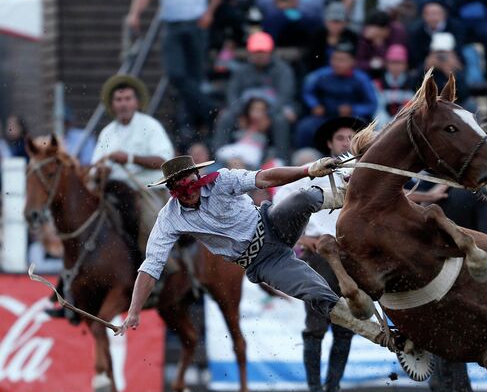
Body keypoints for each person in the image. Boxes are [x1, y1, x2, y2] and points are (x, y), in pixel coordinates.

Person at [117, 155, 406, 370]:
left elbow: (265, 178)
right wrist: (133, 311)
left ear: (197, 177)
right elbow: (151, 265)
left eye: (190, 183)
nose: (189, 191)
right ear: (171, 190)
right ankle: (381, 336)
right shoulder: (169, 219)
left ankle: (354, 195)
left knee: (301, 198)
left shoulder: (223, 180)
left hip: (270, 223)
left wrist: (309, 169)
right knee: (315, 293)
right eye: (180, 188)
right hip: (263, 261)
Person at [273, 117, 364, 392]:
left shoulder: (363, 177)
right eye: (341, 138)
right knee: (317, 324)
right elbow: (277, 214)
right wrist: (300, 239)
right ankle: (315, 391)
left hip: (352, 256)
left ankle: (333, 388)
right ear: (329, 143)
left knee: (347, 325)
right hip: (319, 257)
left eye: (352, 137)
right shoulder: (310, 175)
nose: (346, 143)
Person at [126, 0, 223, 141]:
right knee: (175, 74)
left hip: (196, 23)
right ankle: (209, 109)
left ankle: (189, 125)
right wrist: (134, 14)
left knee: (194, 77)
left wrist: (210, 11)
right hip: (172, 26)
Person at [91, 74, 174, 251]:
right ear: (112, 105)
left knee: (152, 224)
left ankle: (164, 268)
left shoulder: (150, 126)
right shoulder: (107, 132)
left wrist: (130, 158)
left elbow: (164, 161)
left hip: (145, 190)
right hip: (113, 191)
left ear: (136, 102)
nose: (123, 104)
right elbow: (95, 167)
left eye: (127, 99)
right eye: (118, 100)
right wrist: (101, 171)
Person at [222, 32, 296, 157]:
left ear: (270, 52)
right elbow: (232, 93)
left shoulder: (282, 69)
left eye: (263, 52)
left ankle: (281, 158)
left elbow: (285, 95)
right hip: (246, 111)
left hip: (272, 110)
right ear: (249, 53)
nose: (259, 56)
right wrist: (241, 113)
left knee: (281, 119)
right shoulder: (241, 71)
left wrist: (267, 114)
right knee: (226, 117)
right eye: (256, 52)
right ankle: (220, 154)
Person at [294, 40, 378, 149]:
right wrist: (314, 105)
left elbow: (371, 104)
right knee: (305, 127)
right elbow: (308, 92)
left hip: (351, 119)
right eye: (335, 59)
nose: (337, 63)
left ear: (352, 61)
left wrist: (353, 109)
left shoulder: (361, 79)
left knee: (363, 132)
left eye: (342, 60)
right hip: (324, 115)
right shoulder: (321, 75)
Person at [256, 0, 326, 47]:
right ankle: (268, 55)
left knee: (316, 20)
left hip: (307, 17)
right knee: (271, 18)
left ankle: (316, 56)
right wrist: (275, 1)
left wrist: (297, 3)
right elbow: (261, 1)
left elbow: (318, 4)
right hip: (277, 15)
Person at [306, 1, 359, 72]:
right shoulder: (317, 36)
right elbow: (313, 57)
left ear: (345, 23)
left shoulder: (352, 37)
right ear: (326, 22)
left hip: (346, 72)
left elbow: (355, 58)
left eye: (339, 22)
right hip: (320, 72)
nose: (335, 26)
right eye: (332, 21)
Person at [355, 9, 408, 80]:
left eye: (377, 31)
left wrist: (379, 45)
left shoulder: (397, 32)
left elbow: (396, 58)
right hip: (369, 72)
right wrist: (371, 64)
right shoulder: (365, 35)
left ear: (386, 29)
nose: (374, 33)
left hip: (393, 72)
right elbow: (358, 62)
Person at [373, 44, 418, 123]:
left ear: (406, 64)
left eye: (399, 63)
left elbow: (411, 105)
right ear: (387, 64)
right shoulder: (379, 82)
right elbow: (378, 106)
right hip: (382, 120)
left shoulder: (413, 82)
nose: (396, 66)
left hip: (403, 118)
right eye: (393, 62)